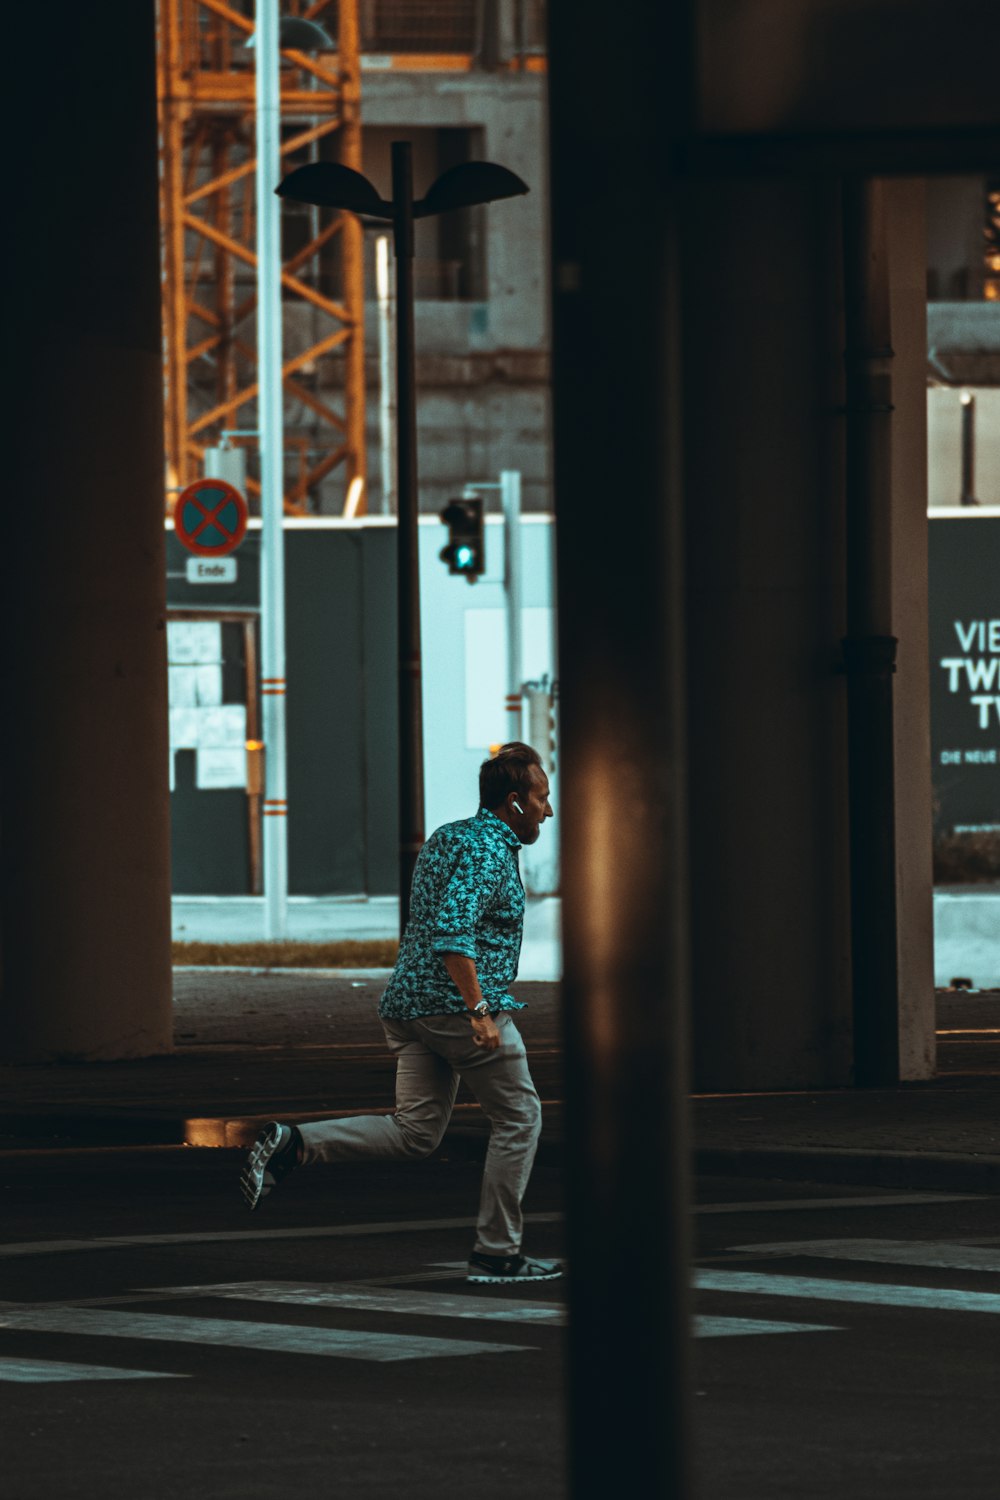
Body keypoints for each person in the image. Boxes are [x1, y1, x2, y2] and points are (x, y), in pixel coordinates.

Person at [239, 741, 561, 1285]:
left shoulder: (449, 836)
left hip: (408, 1006)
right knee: (520, 1118)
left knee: (416, 1132)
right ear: (515, 802)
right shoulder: (487, 851)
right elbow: (453, 934)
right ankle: (496, 1252)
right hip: (455, 1008)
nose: (548, 811)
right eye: (543, 798)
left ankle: (294, 1145)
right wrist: (479, 1010)